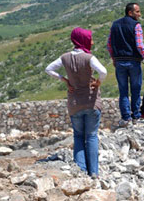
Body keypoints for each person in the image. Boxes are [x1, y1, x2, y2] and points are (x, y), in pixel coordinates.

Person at [45, 27, 107, 178]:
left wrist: (64, 79)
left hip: (74, 103)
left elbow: (48, 69)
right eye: (90, 39)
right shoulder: (89, 58)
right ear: (84, 40)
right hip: (91, 101)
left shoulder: (65, 57)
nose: (92, 42)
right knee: (91, 136)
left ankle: (80, 172)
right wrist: (98, 82)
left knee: (78, 136)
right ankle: (94, 173)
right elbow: (103, 71)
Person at [107, 3, 144, 127]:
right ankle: (136, 116)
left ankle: (126, 117)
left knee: (123, 91)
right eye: (137, 11)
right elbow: (139, 45)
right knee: (136, 90)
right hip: (133, 61)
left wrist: (114, 59)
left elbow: (109, 45)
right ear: (130, 12)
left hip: (120, 61)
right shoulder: (136, 25)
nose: (139, 14)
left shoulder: (115, 25)